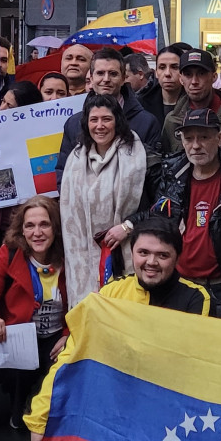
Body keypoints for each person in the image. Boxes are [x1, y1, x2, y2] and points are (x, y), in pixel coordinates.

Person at [25, 217, 209, 441]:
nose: (151, 262)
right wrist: (40, 418)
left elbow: (187, 366)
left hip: (165, 414)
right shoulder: (111, 292)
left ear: (177, 257)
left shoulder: (196, 297)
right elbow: (71, 355)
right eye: (143, 252)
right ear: (132, 252)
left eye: (162, 255)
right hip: (112, 408)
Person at [0, 196, 69, 429]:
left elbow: (84, 305)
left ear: (55, 227)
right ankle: (20, 400)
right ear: (21, 230)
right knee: (19, 417)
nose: (37, 232)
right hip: (21, 338)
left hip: (57, 336)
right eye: (30, 226)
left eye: (44, 224)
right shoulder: (9, 253)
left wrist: (68, 334)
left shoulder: (69, 256)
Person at [153, 108, 221, 319]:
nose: (195, 145)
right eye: (189, 138)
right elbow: (158, 225)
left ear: (219, 138)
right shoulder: (172, 176)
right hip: (179, 285)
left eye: (204, 137)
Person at [60, 93, 151, 308]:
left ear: (117, 121)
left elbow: (154, 206)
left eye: (106, 119)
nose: (100, 126)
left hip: (125, 253)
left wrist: (127, 226)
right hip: (82, 257)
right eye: (94, 120)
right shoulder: (75, 159)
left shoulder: (137, 156)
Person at [55, 48, 161, 184]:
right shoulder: (74, 123)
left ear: (123, 78)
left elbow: (154, 178)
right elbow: (64, 172)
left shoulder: (147, 122)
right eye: (100, 73)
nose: (106, 79)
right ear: (91, 78)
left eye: (113, 74)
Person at [161, 49, 221, 154]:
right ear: (181, 79)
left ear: (214, 77)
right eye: (188, 75)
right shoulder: (173, 121)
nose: (194, 81)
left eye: (201, 74)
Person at [139, 42, 188, 126]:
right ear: (156, 72)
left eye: (174, 67)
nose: (167, 73)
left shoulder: (195, 103)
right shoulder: (141, 104)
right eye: (162, 67)